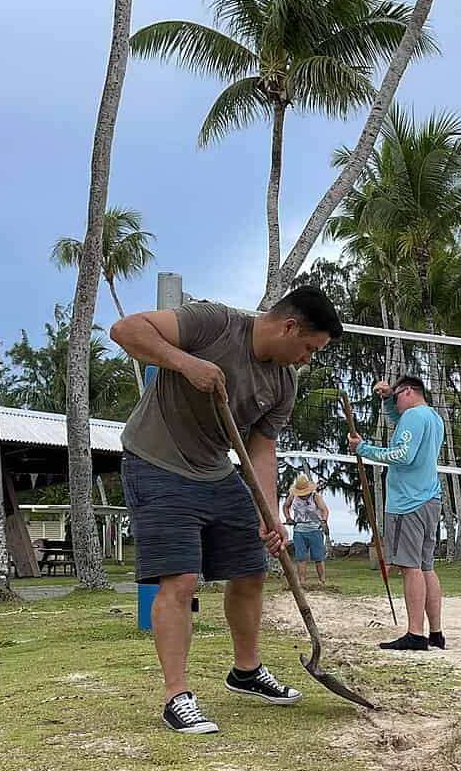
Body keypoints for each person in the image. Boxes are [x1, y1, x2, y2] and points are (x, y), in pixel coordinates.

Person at [110, 286, 344, 734]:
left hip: (215, 472)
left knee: (252, 568)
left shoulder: (282, 382)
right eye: (308, 348)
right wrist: (185, 362)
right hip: (157, 462)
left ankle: (246, 670)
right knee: (179, 578)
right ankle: (176, 695)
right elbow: (126, 330)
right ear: (289, 327)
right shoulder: (214, 323)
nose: (307, 359)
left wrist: (267, 512)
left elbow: (261, 449)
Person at [350, 374, 447, 652]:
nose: (394, 403)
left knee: (410, 567)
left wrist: (363, 449)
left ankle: (416, 634)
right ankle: (435, 633)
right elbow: (401, 428)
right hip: (429, 499)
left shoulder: (414, 417)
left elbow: (403, 454)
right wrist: (386, 400)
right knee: (426, 566)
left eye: (396, 397)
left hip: (408, 503)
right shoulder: (433, 418)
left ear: (407, 392)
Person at [282, 471, 331, 588]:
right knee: (300, 557)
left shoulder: (315, 496)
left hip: (315, 529)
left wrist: (324, 521)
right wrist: (288, 517)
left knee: (319, 557)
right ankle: (302, 582)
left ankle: (322, 581)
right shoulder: (293, 496)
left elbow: (324, 510)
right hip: (299, 530)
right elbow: (285, 506)